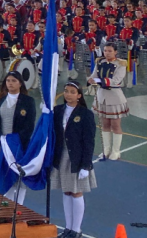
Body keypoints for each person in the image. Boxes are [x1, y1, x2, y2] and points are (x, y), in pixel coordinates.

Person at [51, 81, 96, 238]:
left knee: (76, 192)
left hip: (76, 159)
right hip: (61, 156)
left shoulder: (85, 114)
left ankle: (76, 229)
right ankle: (68, 227)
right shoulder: (57, 111)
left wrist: (86, 165)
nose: (68, 94)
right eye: (66, 91)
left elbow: (89, 141)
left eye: (72, 92)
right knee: (67, 191)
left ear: (79, 96)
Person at [0, 71, 36, 205]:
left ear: (20, 83)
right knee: (4, 177)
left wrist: (14, 140)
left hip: (18, 147)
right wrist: (1, 138)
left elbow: (29, 125)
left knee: (18, 180)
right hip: (1, 146)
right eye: (8, 80)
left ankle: (17, 208)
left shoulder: (28, 102)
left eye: (14, 81)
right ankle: (5, 209)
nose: (10, 83)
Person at [87, 43, 129, 160]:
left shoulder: (121, 64)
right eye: (105, 50)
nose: (107, 53)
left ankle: (116, 151)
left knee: (115, 125)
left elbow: (116, 80)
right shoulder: (100, 62)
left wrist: (98, 80)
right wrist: (91, 79)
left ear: (115, 52)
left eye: (110, 51)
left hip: (114, 97)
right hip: (101, 96)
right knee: (104, 124)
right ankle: (106, 149)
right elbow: (94, 75)